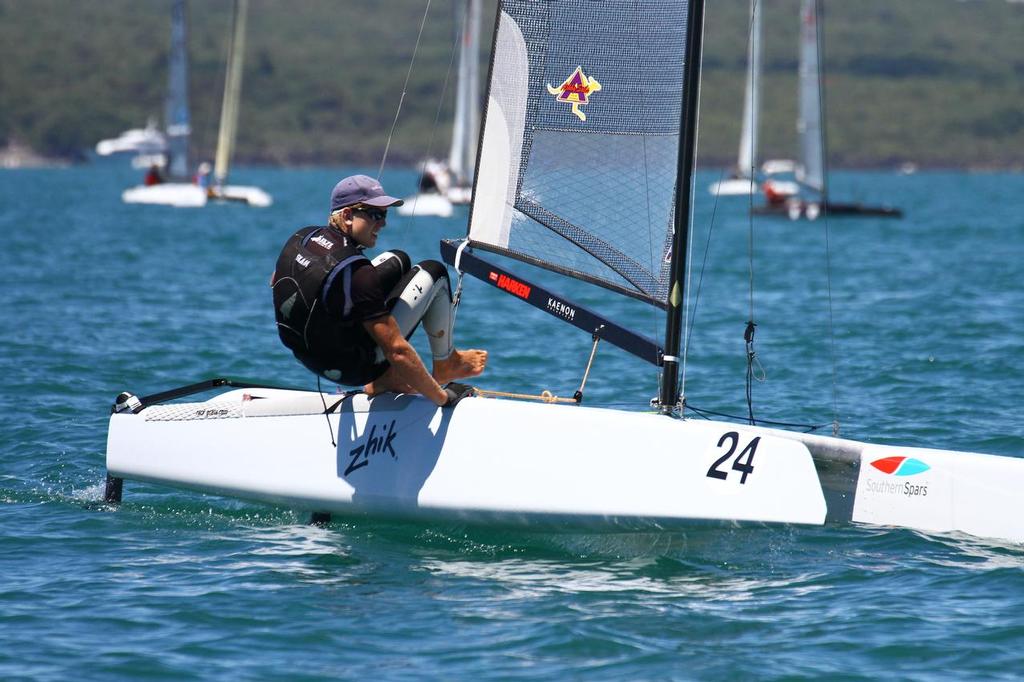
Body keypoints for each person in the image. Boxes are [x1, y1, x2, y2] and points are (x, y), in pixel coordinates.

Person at [271, 174, 487, 407]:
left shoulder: (302, 237)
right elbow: (397, 351)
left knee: (399, 260)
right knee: (434, 272)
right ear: (347, 216)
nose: (383, 223)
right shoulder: (359, 275)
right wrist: (443, 399)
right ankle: (445, 364)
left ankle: (385, 378)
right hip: (350, 370)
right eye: (375, 215)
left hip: (307, 355)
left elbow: (276, 281)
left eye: (384, 215)